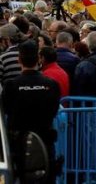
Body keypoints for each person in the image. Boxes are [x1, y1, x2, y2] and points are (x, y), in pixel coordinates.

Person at [3, 40, 60, 183]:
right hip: (44, 141)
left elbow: (6, 109)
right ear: (38, 59)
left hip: (19, 144)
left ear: (19, 60)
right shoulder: (51, 85)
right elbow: (53, 109)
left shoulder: (11, 85)